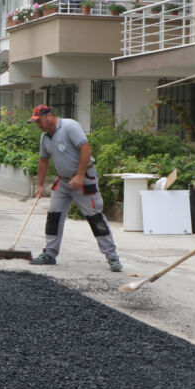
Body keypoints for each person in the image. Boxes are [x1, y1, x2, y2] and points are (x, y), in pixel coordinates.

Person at [29, 105, 122, 272]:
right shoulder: (45, 138)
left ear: (49, 116)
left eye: (39, 121)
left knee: (95, 217)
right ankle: (49, 253)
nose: (38, 125)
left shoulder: (69, 126)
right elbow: (43, 161)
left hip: (84, 179)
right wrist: (40, 185)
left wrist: (79, 176)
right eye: (36, 123)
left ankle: (112, 255)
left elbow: (86, 148)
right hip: (63, 182)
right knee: (54, 216)